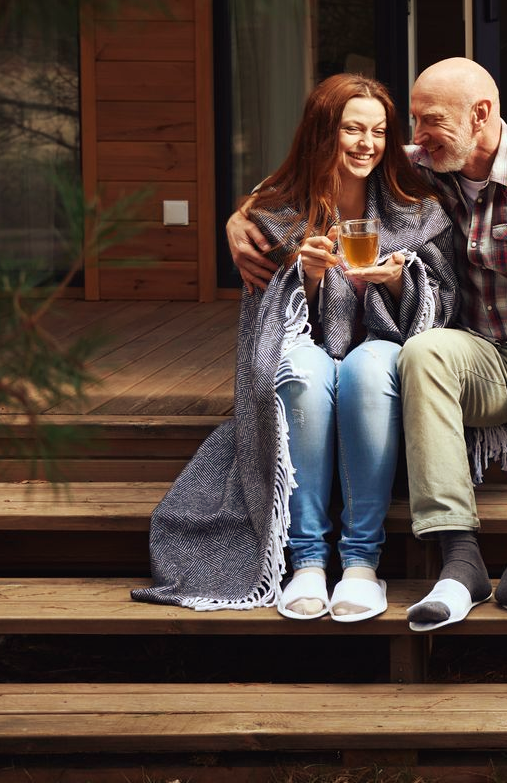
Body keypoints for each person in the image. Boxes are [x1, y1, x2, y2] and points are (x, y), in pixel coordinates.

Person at [229, 57, 507, 637]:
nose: (413, 138)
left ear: (481, 115)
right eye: (412, 122)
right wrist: (238, 218)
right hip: (484, 357)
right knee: (419, 352)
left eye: (429, 122)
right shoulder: (429, 161)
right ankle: (459, 559)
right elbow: (315, 168)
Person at [135, 74, 458, 623]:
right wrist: (304, 277)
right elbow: (267, 324)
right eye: (352, 129)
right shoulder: (277, 210)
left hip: (379, 352)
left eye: (379, 131)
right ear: (321, 131)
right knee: (304, 368)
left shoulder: (414, 204)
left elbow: (442, 301)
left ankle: (360, 562)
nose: (367, 144)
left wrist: (399, 279)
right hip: (306, 354)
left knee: (369, 365)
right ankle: (307, 559)